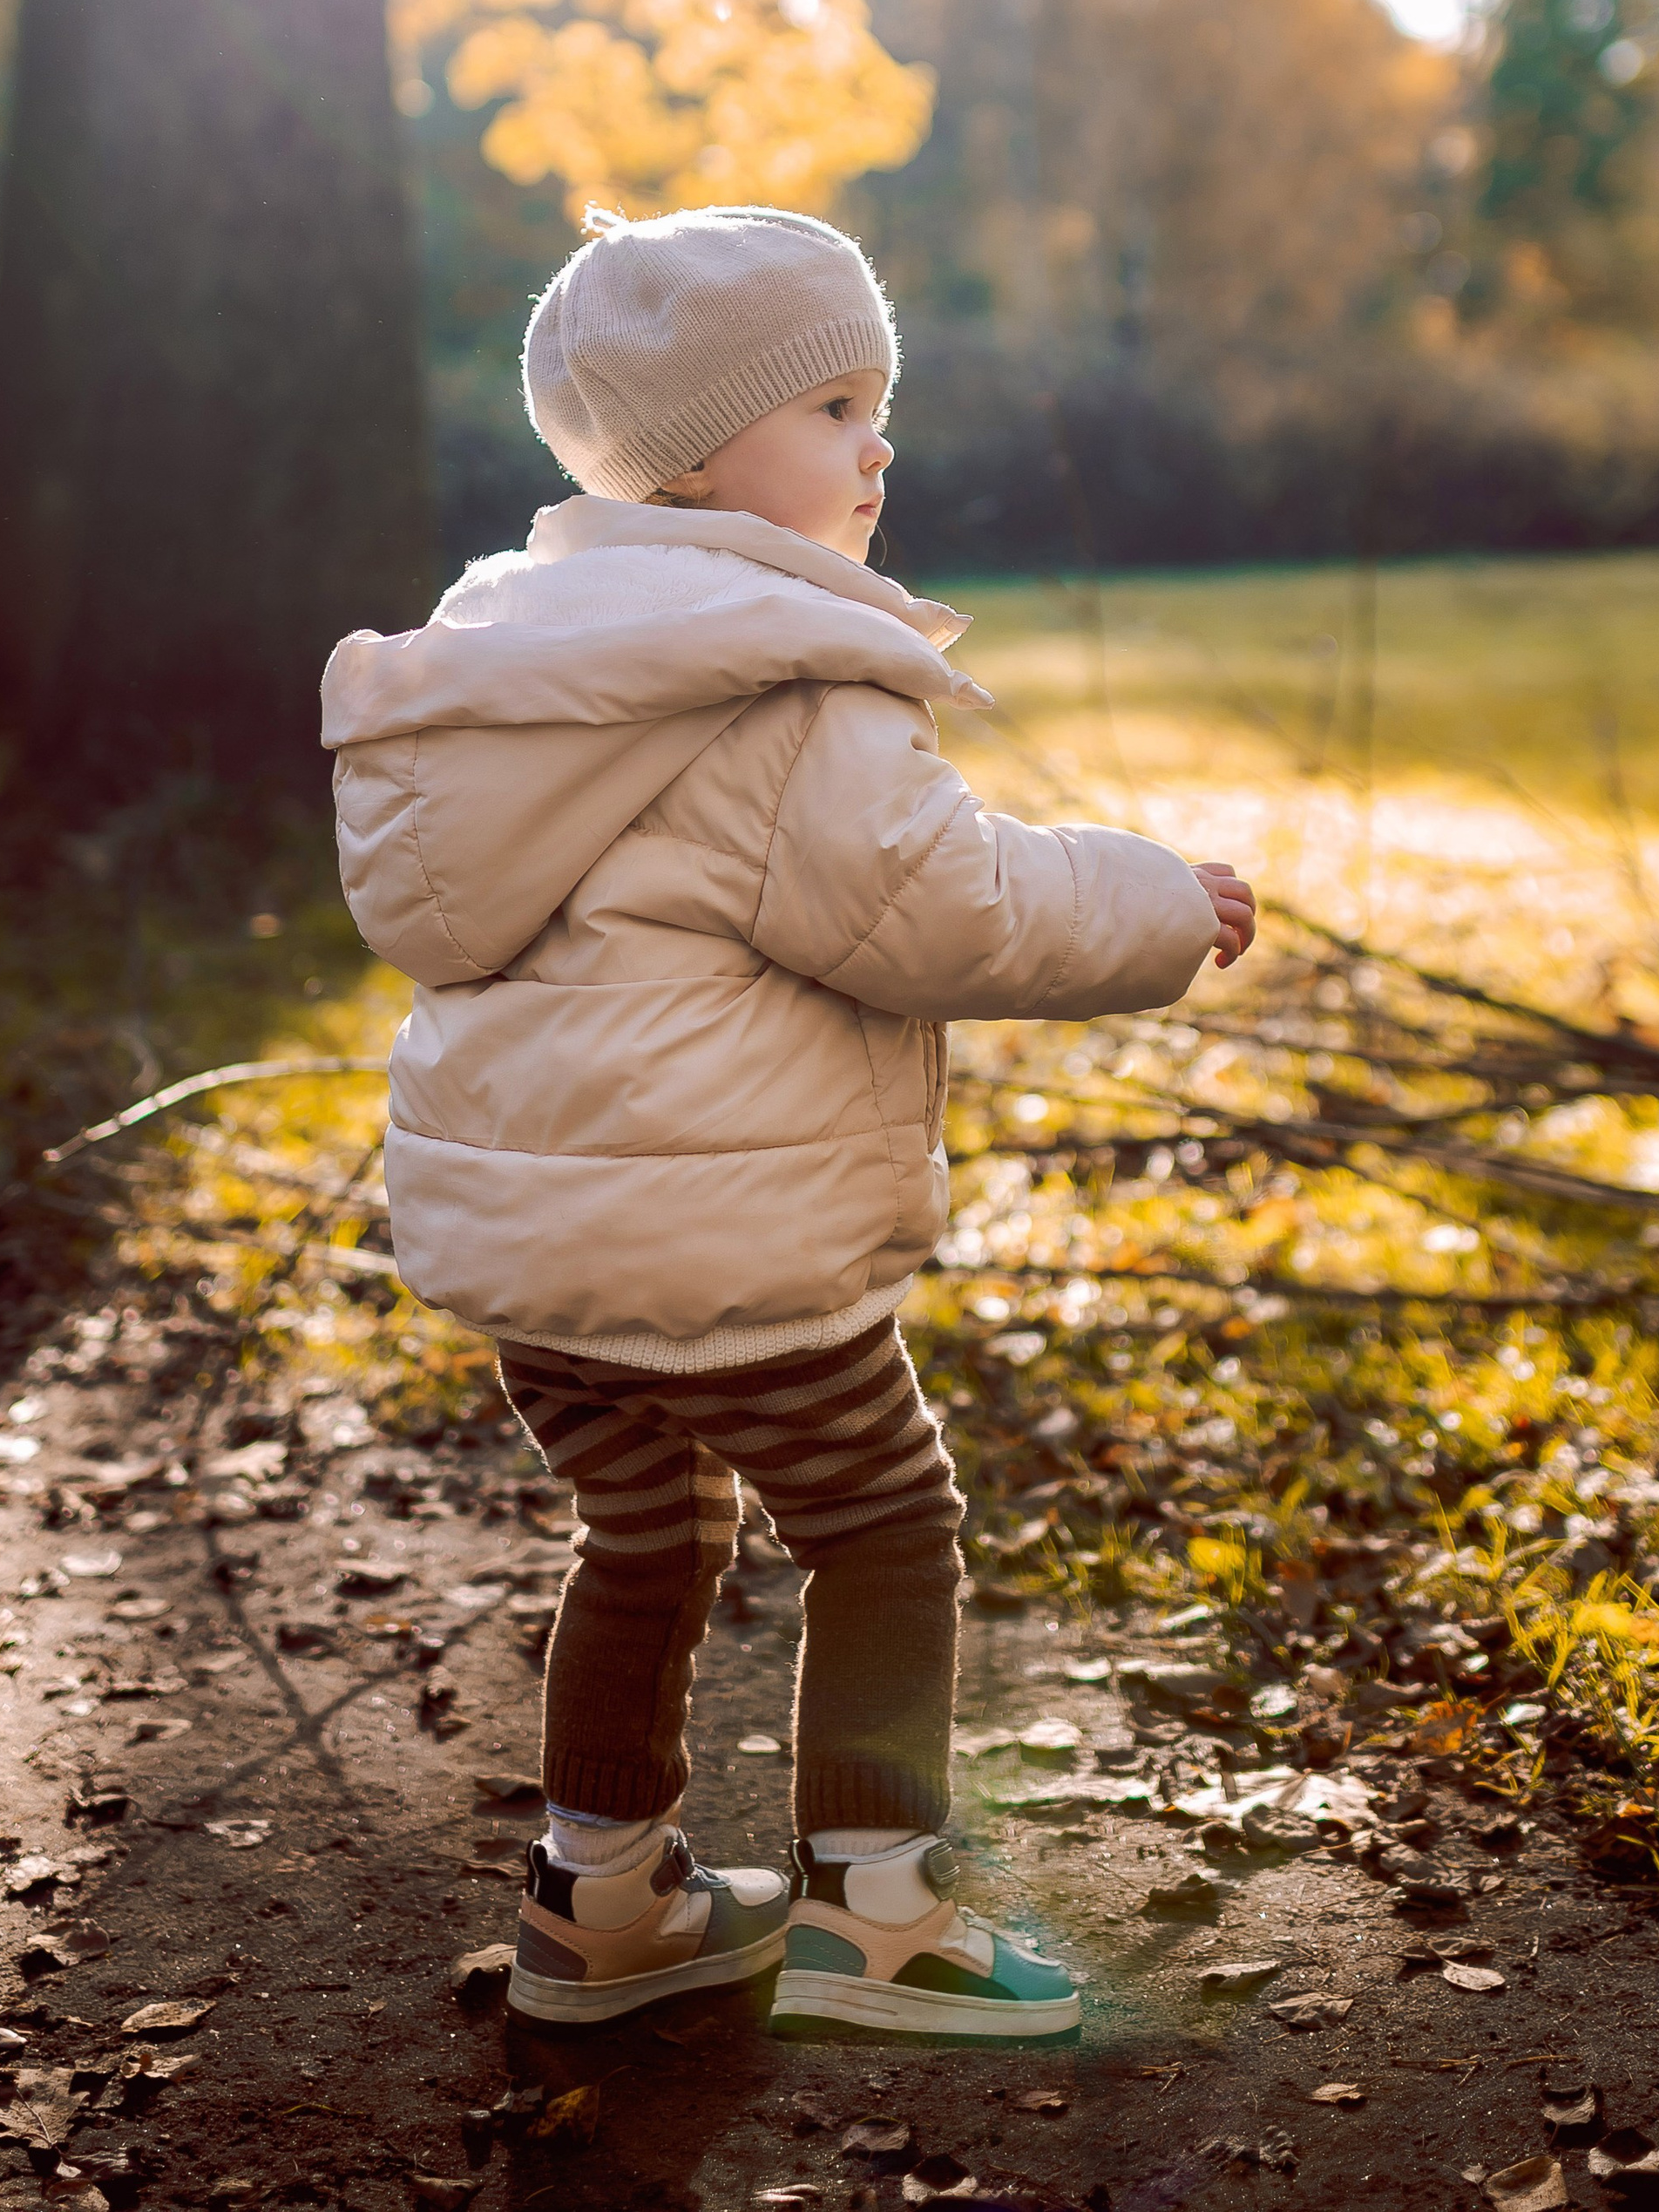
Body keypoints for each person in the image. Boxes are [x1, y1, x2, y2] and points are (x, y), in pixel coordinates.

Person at [322, 204, 1255, 2038]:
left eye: (874, 404)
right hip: (726, 1250)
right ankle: (881, 1918)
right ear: (692, 457)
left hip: (540, 1265)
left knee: (641, 1538)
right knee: (885, 1524)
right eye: (831, 406)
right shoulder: (772, 675)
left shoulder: (495, 667)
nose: (875, 445)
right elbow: (939, 905)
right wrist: (1155, 897)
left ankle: (601, 1905)